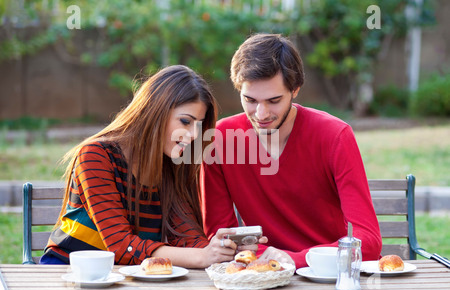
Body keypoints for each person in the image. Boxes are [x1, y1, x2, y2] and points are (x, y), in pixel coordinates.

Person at [201, 34, 382, 268]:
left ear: (295, 90)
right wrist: (270, 258)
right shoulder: (220, 139)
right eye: (250, 100)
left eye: (274, 100)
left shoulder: (335, 136)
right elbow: (221, 236)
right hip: (259, 275)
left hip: (324, 275)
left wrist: (294, 259)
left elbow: (368, 242)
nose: (261, 114)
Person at [41, 65, 244, 267]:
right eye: (185, 121)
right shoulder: (95, 156)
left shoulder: (172, 165)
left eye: (198, 126)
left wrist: (223, 251)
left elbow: (186, 235)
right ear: (155, 112)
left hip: (125, 278)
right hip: (68, 269)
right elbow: (121, 245)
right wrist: (202, 257)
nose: (193, 135)